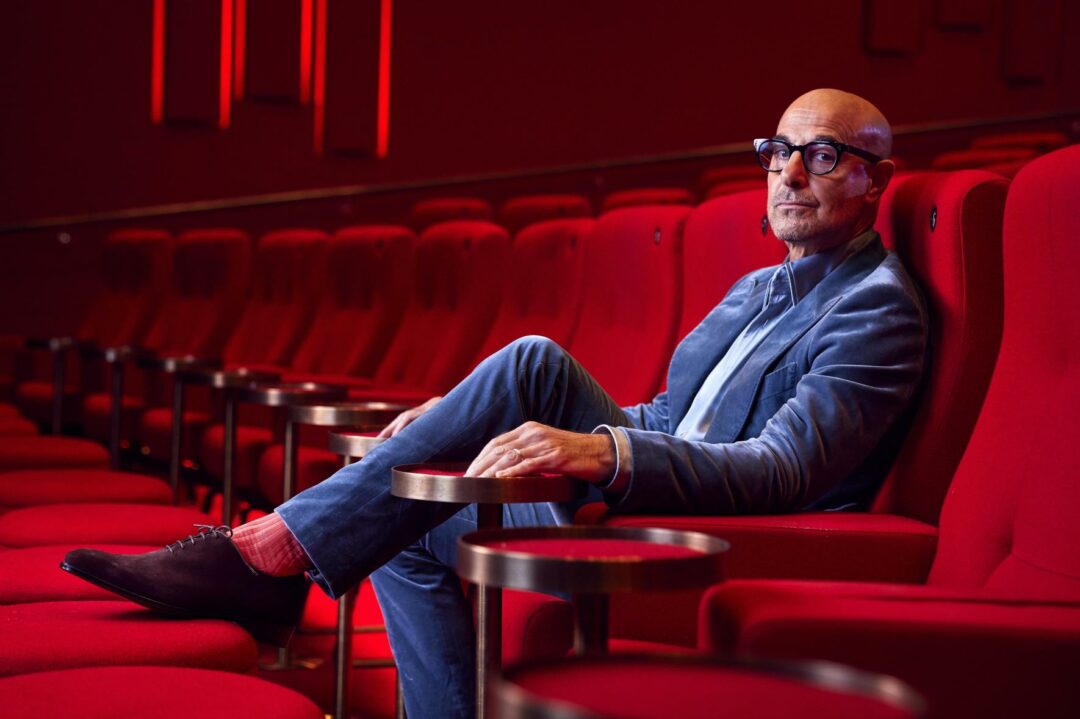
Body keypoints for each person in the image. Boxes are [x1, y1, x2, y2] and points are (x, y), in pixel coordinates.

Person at [62, 89, 926, 719]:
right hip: (659, 480)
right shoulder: (753, 289)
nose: (789, 173)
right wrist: (463, 412)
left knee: (524, 365)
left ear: (875, 180)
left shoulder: (877, 308)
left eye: (821, 155)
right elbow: (670, 415)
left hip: (721, 531)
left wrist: (605, 454)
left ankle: (266, 552)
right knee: (406, 508)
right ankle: (290, 566)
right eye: (778, 150)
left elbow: (783, 470)